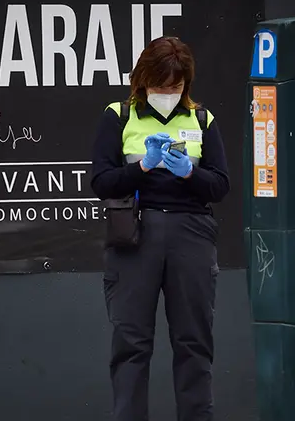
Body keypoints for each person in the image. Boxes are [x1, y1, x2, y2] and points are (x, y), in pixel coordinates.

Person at [90, 36, 231, 421]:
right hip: (136, 234)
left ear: (186, 84)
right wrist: (143, 167)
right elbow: (101, 181)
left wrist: (190, 173)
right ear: (143, 80)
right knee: (132, 344)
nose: (167, 93)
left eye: (175, 86)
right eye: (160, 86)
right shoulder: (119, 115)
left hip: (192, 233)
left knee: (194, 343)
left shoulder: (202, 119)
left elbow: (220, 185)